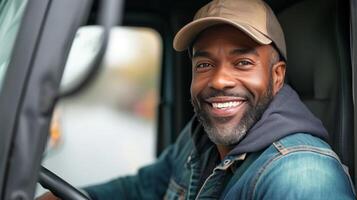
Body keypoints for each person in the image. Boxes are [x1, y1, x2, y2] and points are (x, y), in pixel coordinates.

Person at [40, 0, 356, 199]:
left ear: (277, 75)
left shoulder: (302, 178)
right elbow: (142, 189)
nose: (218, 80)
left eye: (243, 62)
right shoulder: (198, 140)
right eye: (204, 65)